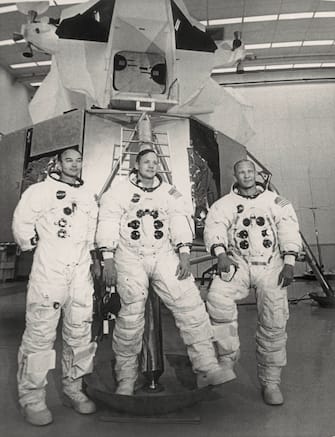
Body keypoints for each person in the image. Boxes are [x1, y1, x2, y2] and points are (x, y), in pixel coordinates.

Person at [96, 146, 235, 396]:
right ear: (136, 166)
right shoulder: (119, 192)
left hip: (162, 254)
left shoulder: (169, 192)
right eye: (146, 162)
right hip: (130, 257)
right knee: (130, 317)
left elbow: (180, 221)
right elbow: (107, 222)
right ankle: (126, 379)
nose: (151, 165)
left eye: (155, 161)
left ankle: (207, 367)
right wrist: (108, 259)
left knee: (190, 304)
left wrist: (183, 255)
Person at [12, 147, 99, 426]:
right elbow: (22, 223)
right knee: (40, 336)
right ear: (58, 163)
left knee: (80, 334)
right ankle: (33, 399)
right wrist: (33, 245)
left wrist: (95, 259)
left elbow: (92, 233)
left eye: (78, 160)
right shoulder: (40, 191)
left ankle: (74, 389)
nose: (74, 164)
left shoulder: (87, 196)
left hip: (80, 272)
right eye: (68, 160)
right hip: (50, 271)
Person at [204, 159, 301, 406]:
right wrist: (221, 254)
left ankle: (270, 382)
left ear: (256, 174)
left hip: (272, 266)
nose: (246, 175)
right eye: (241, 172)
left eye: (250, 171)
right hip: (239, 262)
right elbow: (215, 227)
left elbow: (289, 229)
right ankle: (227, 358)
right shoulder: (224, 205)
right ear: (235, 175)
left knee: (274, 321)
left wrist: (289, 262)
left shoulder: (276, 201)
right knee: (217, 298)